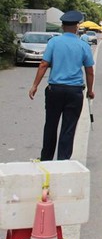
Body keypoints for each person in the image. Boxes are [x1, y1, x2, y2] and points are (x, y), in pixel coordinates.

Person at [28, 10, 95, 161]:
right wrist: (90, 91)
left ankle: (46, 159)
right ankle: (63, 161)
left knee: (51, 125)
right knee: (68, 128)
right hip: (74, 92)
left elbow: (44, 64)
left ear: (63, 27)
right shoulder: (83, 45)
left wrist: (35, 85)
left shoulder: (54, 42)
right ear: (77, 27)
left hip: (55, 90)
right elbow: (89, 71)